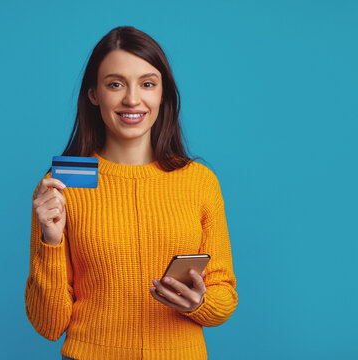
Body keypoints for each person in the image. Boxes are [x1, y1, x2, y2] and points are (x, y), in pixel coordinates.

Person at [25, 25, 238, 360]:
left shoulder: (199, 181)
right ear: (94, 94)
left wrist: (200, 303)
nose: (132, 99)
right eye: (115, 84)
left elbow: (224, 296)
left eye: (148, 84)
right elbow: (48, 325)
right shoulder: (61, 185)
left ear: (163, 94)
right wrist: (50, 243)